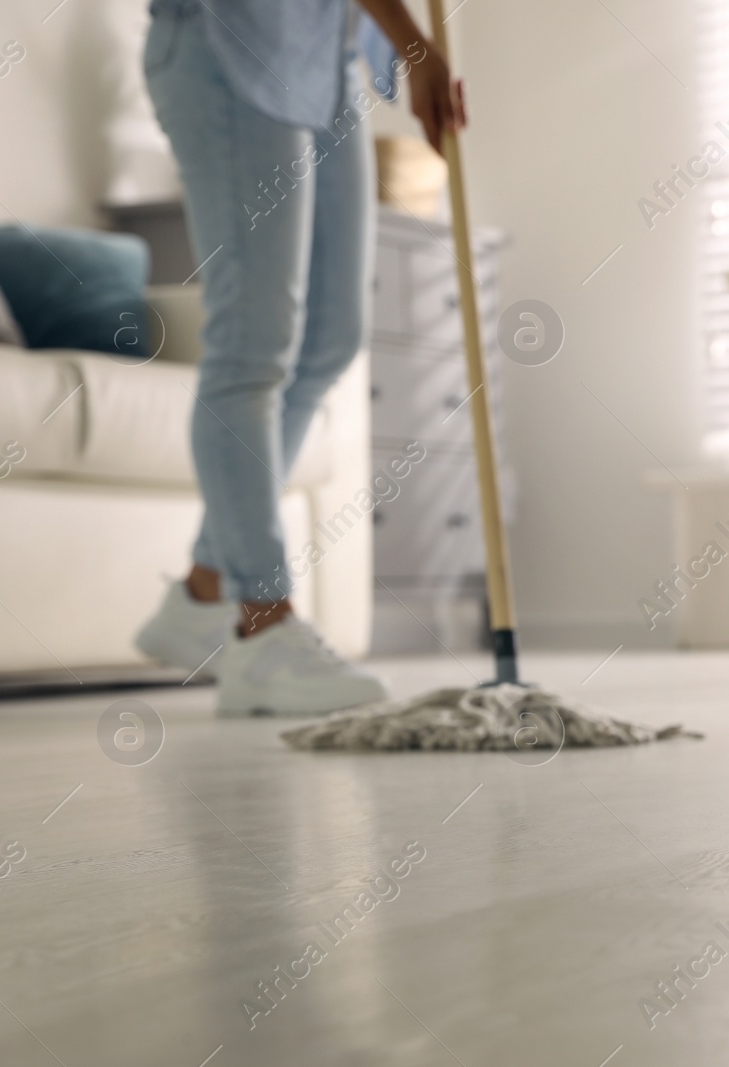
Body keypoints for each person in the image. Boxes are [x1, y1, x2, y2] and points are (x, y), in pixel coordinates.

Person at [132, 0, 465, 715]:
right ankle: (262, 622)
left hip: (326, 53)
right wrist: (413, 45)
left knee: (331, 338)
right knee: (252, 343)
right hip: (230, 38)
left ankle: (203, 591)